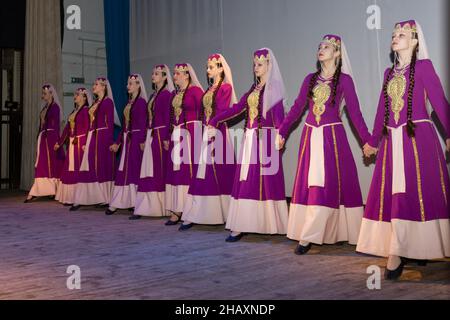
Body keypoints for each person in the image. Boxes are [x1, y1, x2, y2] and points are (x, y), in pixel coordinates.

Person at [356, 20, 450, 280]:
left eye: (402, 34)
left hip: (418, 140)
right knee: (396, 196)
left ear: (416, 40)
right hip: (391, 143)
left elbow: (440, 101)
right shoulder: (389, 73)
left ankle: (415, 247)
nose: (395, 37)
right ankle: (396, 251)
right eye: (394, 34)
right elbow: (381, 111)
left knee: (418, 194)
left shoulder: (424, 67)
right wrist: (373, 141)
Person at [276, 35, 371, 255]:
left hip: (332, 139)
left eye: (327, 46)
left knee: (329, 184)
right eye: (319, 46)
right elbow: (298, 107)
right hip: (311, 137)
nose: (321, 49)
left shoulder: (345, 80)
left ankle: (323, 232)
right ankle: (309, 234)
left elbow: (355, 114)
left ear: (337, 53)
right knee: (313, 183)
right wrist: (282, 131)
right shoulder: (310, 79)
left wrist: (367, 141)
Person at [208, 48, 289, 242]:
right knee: (246, 181)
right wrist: (215, 120)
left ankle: (270, 223)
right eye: (254, 64)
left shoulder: (274, 87)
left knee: (267, 183)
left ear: (269, 65)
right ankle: (241, 224)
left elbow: (279, 116)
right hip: (250, 139)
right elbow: (237, 108)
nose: (255, 68)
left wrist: (280, 133)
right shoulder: (254, 89)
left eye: (260, 64)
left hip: (266, 139)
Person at [179, 54, 237, 230]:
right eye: (207, 67)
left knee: (217, 172)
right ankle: (197, 212)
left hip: (218, 132)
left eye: (211, 67)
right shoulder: (208, 90)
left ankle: (223, 213)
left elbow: (222, 110)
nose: (208, 70)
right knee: (202, 172)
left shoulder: (225, 88)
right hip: (207, 131)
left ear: (220, 68)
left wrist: (213, 126)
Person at [106, 74, 148, 215]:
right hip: (127, 141)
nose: (128, 86)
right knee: (123, 171)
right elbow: (124, 126)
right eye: (128, 83)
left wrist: (142, 140)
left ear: (138, 85)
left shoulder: (141, 103)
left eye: (131, 83)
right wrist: (118, 142)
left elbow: (143, 124)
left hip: (136, 140)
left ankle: (135, 202)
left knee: (134, 171)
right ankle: (118, 201)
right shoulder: (128, 104)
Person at [25, 84, 65, 203]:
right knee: (43, 164)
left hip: (51, 137)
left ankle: (54, 189)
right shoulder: (44, 108)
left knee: (53, 163)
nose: (43, 95)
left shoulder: (55, 107)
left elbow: (56, 125)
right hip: (44, 138)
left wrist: (57, 141)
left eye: (45, 93)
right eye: (43, 93)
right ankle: (40, 189)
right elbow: (42, 124)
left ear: (51, 94)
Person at [54, 88, 91, 208]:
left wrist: (86, 143)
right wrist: (59, 143)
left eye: (78, 94)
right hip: (72, 143)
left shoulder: (86, 111)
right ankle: (70, 197)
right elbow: (66, 129)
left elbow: (87, 128)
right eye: (75, 94)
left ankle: (78, 197)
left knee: (77, 169)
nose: (75, 96)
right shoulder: (74, 111)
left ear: (84, 98)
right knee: (69, 169)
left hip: (80, 143)